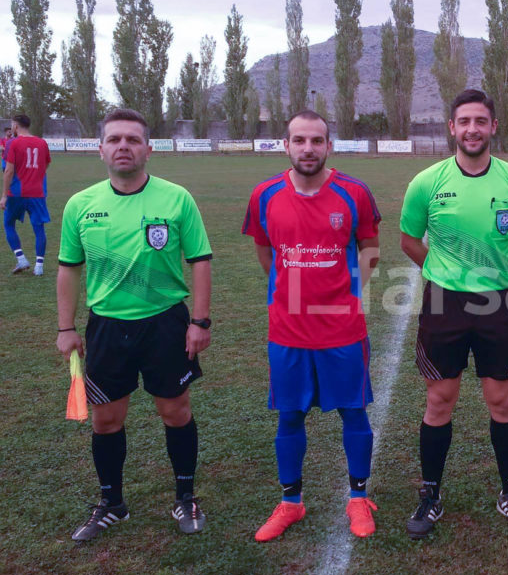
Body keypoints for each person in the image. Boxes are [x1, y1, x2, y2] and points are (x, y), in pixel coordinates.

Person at [56, 108, 212, 541]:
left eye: (132, 139)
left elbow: (200, 260)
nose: (123, 146)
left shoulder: (176, 198)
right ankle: (112, 503)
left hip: (166, 324)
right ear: (100, 149)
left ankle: (185, 497)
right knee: (105, 420)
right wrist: (65, 328)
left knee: (175, 411)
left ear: (148, 148)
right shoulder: (80, 205)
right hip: (107, 326)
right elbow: (68, 268)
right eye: (114, 139)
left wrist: (200, 320)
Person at [399, 89, 508, 538]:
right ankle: (430, 495)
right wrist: (444, 274)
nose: (473, 129)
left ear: (493, 126)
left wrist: (495, 274)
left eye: (481, 121)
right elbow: (408, 240)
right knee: (439, 401)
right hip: (444, 303)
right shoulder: (427, 182)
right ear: (452, 127)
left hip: (499, 301)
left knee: (502, 402)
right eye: (464, 121)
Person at [243, 110, 381, 541]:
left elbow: (370, 248)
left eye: (316, 141)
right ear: (286, 145)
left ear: (328, 146)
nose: (308, 148)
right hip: (288, 330)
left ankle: (358, 498)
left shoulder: (354, 193)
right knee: (289, 416)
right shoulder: (265, 194)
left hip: (342, 329)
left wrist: (349, 293)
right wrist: (290, 291)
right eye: (299, 140)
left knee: (353, 411)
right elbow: (265, 252)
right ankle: (291, 502)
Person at [2, 115, 51, 275]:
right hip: (37, 192)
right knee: (39, 228)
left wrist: (4, 195)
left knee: (9, 224)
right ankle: (39, 267)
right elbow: (46, 164)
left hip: (16, 192)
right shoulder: (42, 143)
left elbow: (8, 171)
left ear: (16, 126)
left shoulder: (12, 143)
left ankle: (21, 259)